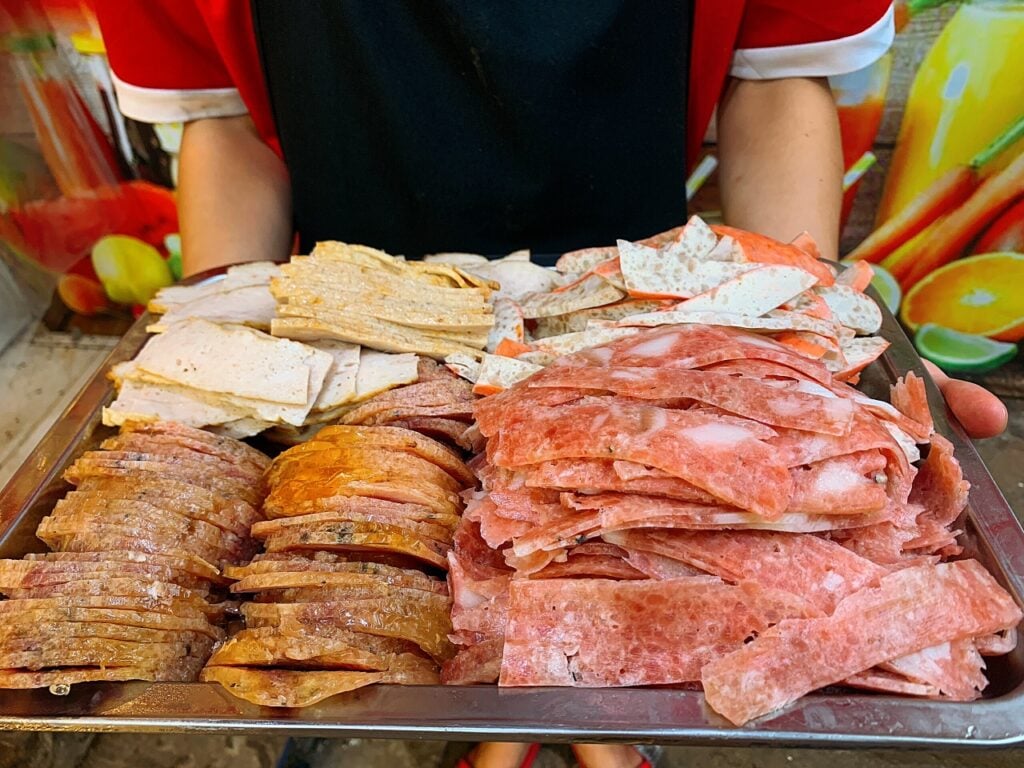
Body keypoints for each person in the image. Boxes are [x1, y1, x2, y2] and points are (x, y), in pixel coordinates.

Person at [92, 3, 1009, 767]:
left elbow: (773, 84)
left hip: (633, 310)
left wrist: (794, 360)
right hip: (361, 328)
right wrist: (216, 364)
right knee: (326, 656)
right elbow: (223, 123)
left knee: (621, 650)